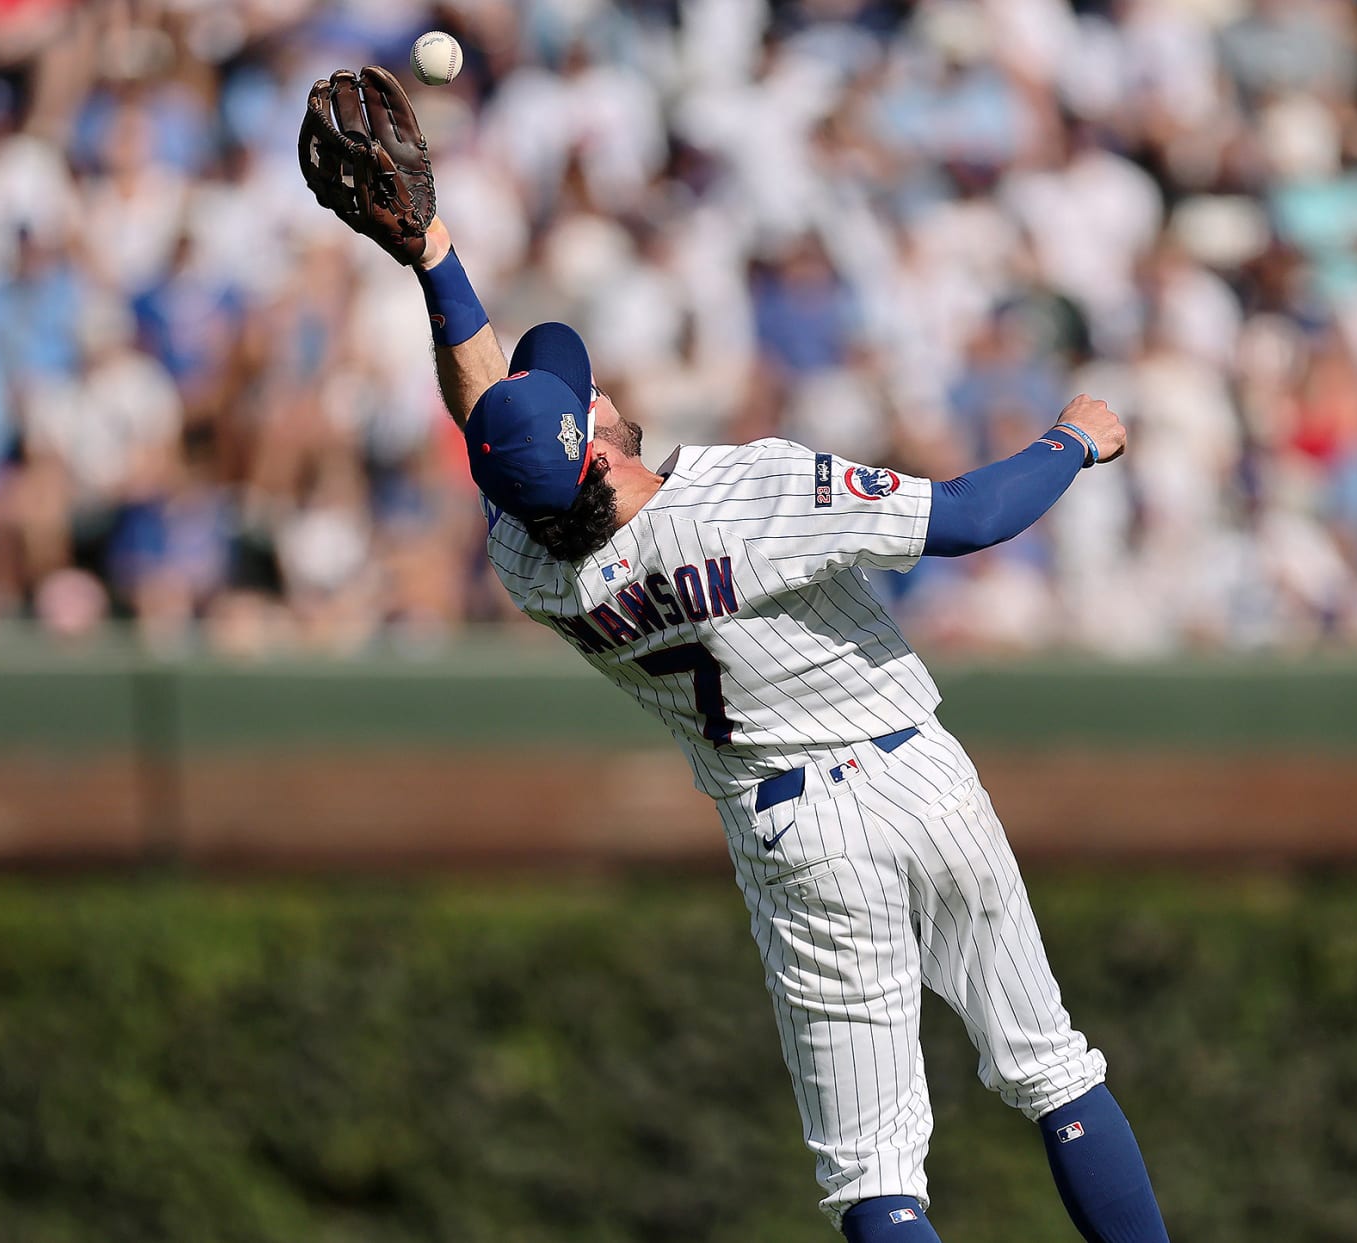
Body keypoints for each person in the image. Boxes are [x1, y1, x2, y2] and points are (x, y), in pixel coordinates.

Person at [297, 68, 1171, 1243]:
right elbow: (966, 518)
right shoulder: (748, 495)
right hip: (917, 774)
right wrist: (1074, 441)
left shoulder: (536, 566)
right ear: (599, 455)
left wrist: (433, 254)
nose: (597, 387)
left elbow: (489, 421)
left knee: (875, 1172)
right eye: (588, 401)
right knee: (1053, 1070)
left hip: (791, 830)